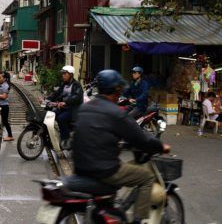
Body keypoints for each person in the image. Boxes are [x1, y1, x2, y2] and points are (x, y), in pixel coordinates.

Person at [73, 70, 170, 224]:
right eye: (119, 90)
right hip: (104, 169)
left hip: (79, 166)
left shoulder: (85, 107)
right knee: (147, 177)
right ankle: (138, 220)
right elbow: (140, 139)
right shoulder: (115, 113)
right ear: (116, 91)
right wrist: (160, 146)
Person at [47, 65, 84, 150]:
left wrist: (65, 102)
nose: (63, 76)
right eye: (62, 74)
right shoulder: (64, 84)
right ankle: (60, 132)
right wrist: (47, 99)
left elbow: (76, 97)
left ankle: (65, 140)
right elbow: (56, 93)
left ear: (70, 75)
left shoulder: (76, 85)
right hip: (64, 108)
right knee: (52, 113)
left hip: (73, 109)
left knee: (61, 118)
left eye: (65, 74)